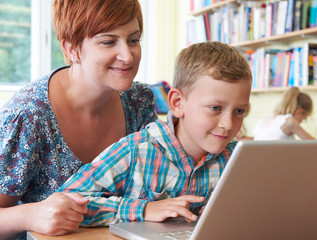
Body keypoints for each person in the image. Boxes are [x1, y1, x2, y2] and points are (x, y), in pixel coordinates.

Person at [0, 0, 157, 239]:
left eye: (133, 40)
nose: (127, 55)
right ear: (72, 49)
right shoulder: (28, 115)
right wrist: (30, 215)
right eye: (108, 42)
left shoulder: (140, 102)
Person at [59, 41, 252, 226]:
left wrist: (235, 210)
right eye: (215, 108)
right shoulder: (137, 150)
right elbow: (66, 201)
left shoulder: (238, 159)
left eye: (239, 111)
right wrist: (144, 209)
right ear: (177, 103)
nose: (228, 124)